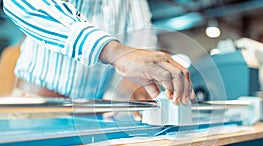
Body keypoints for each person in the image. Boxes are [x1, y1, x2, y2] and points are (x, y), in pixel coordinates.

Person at [3, 0, 194, 105]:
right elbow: (22, 4)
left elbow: (141, 32)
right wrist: (114, 51)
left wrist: (132, 86)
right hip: (37, 106)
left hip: (90, 114)